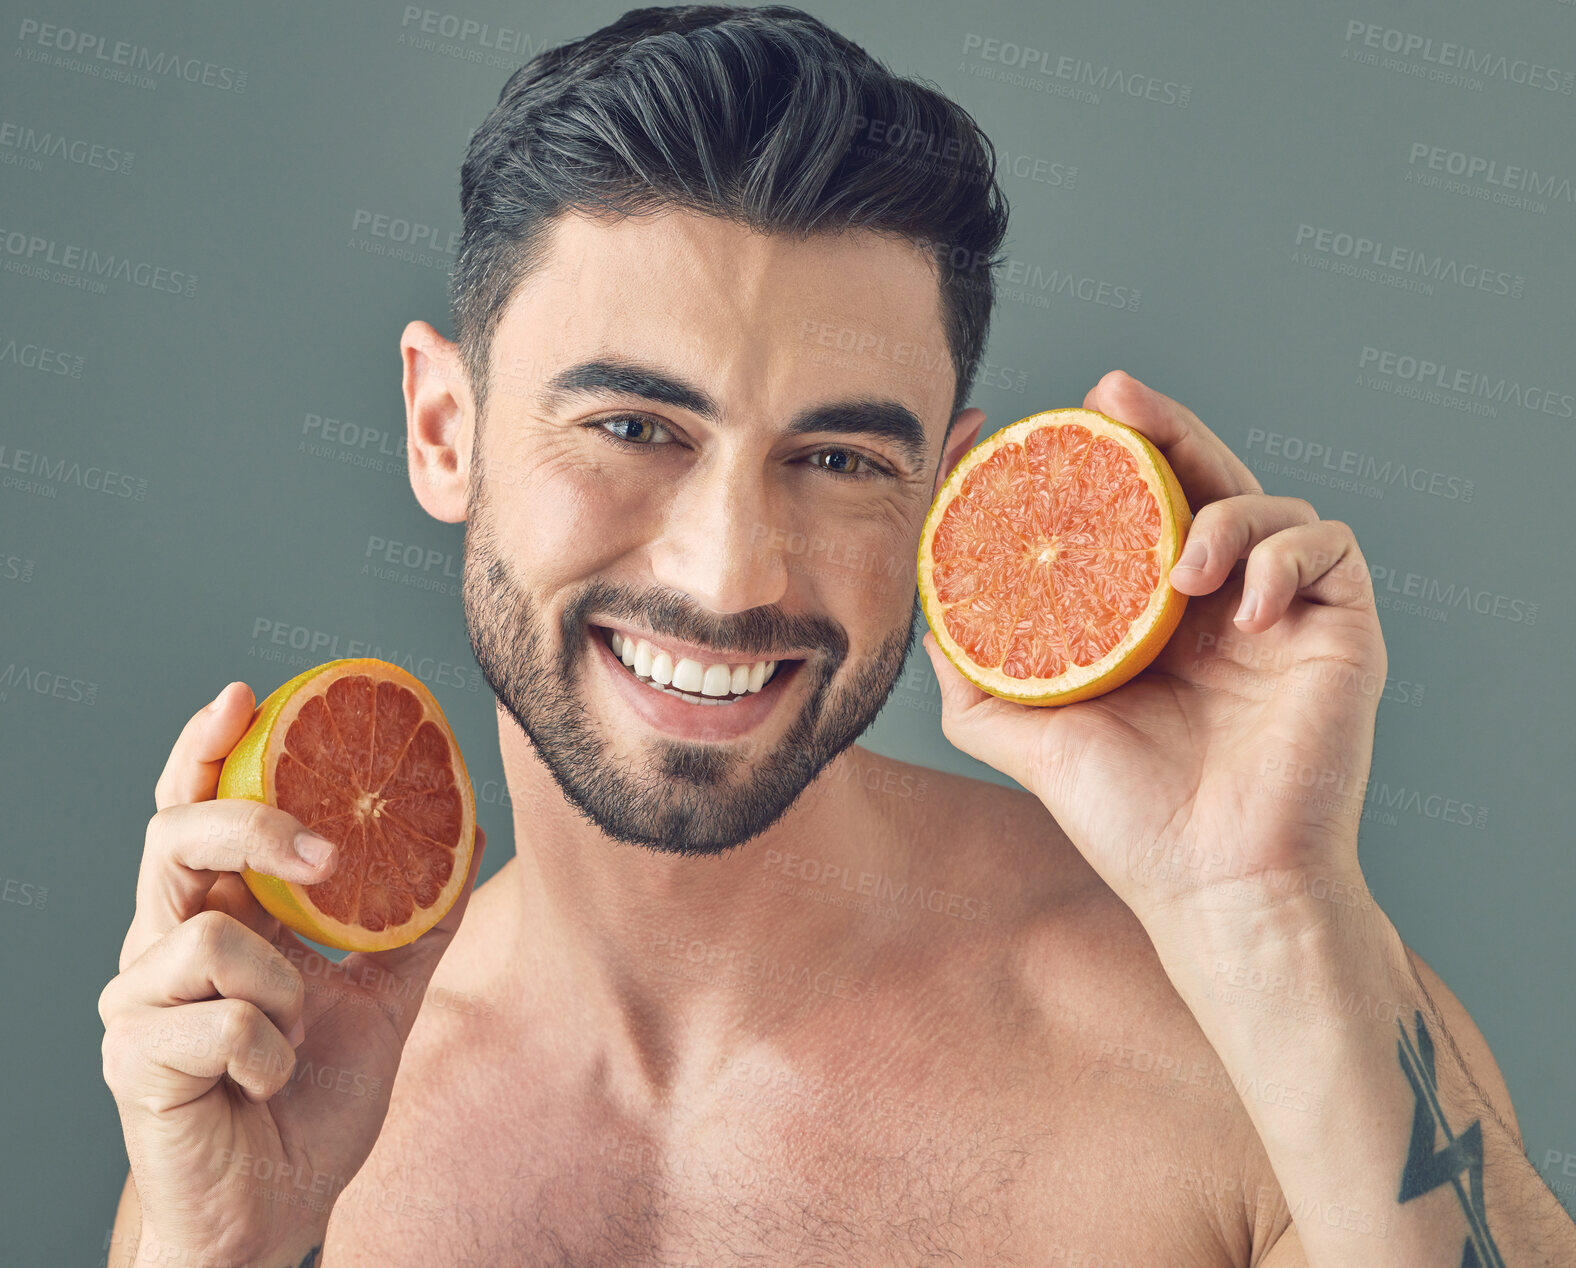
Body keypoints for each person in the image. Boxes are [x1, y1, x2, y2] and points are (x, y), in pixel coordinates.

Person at [98, 6, 1574, 1265]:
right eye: (630, 427)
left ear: (950, 492)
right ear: (444, 428)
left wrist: (1269, 908)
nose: (732, 570)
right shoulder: (296, 1087)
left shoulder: (1240, 1031)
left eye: (842, 459)